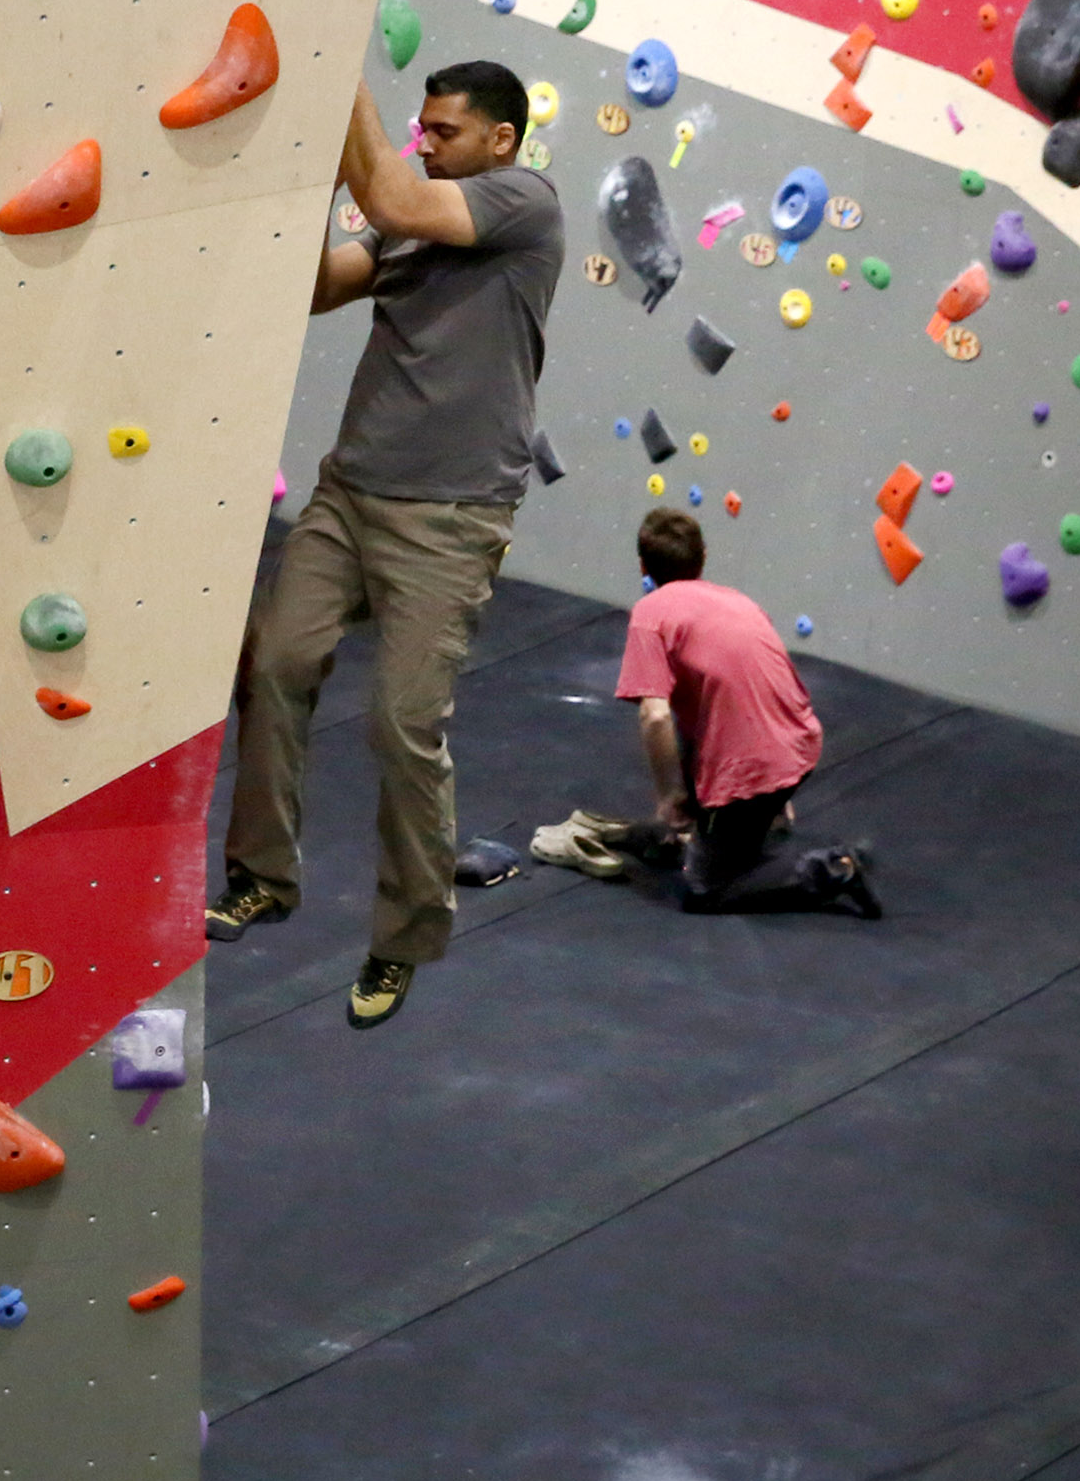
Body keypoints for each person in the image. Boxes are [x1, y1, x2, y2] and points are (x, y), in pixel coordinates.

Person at [209, 65, 565, 1029]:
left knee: (404, 724)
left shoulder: (524, 204)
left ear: (499, 141)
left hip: (449, 517)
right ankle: (262, 876)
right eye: (421, 127)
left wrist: (339, 67)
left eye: (444, 130)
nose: (426, 142)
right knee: (275, 661)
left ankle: (403, 936)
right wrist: (315, 177)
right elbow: (322, 285)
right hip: (352, 490)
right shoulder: (408, 219)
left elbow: (397, 193)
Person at [618, 510, 878, 917]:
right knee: (702, 720)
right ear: (702, 557)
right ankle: (761, 817)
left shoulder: (651, 615)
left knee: (703, 891)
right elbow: (757, 685)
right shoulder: (738, 601)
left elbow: (654, 717)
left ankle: (830, 870)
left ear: (643, 566)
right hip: (801, 746)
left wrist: (671, 795)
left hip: (754, 771)